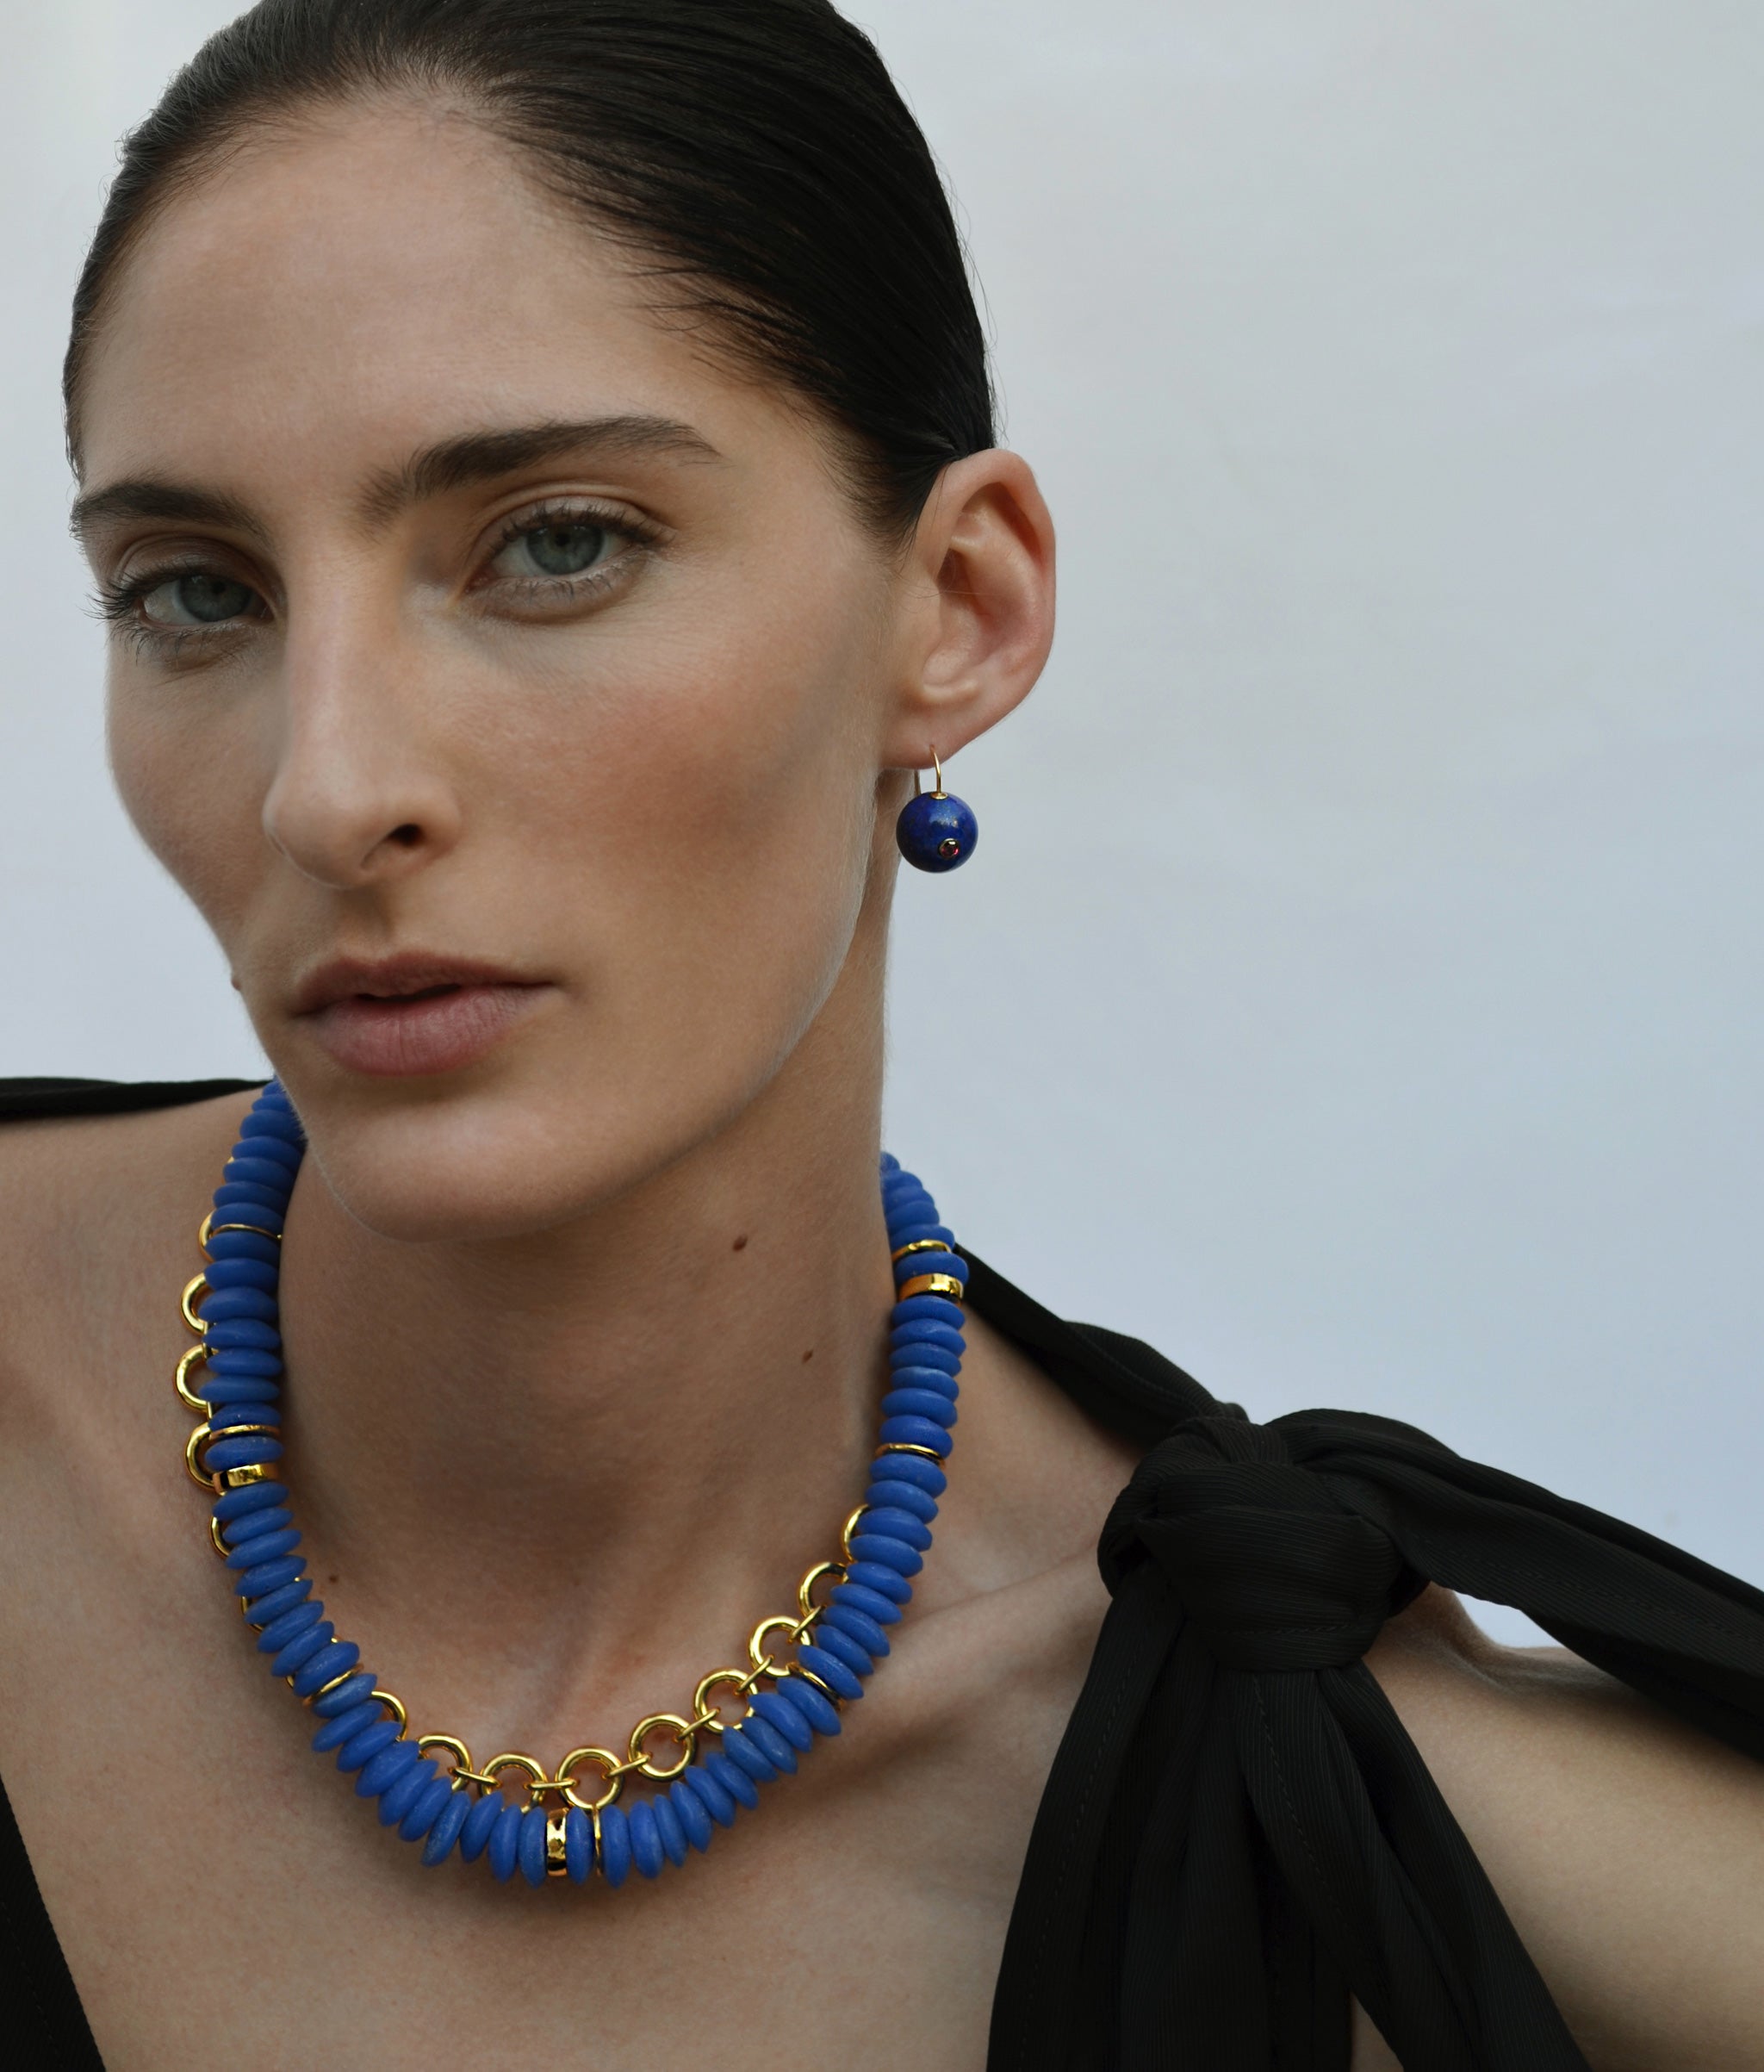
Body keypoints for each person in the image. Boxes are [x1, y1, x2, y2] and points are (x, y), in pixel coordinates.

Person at [3, 3, 1761, 2068]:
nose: (327, 790)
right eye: (195, 595)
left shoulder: (1351, 1827)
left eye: (556, 544)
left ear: (959, 608)